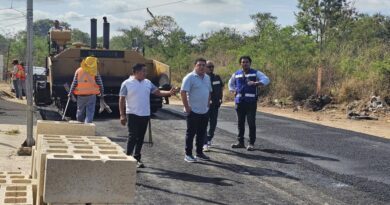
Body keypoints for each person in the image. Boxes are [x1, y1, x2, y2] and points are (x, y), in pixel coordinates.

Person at [119, 63, 177, 168]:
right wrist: (122, 115)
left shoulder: (148, 83)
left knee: (140, 137)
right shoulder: (127, 83)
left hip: (145, 114)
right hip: (132, 113)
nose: (146, 73)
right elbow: (122, 99)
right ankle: (128, 158)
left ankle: (137, 158)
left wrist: (169, 92)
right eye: (144, 71)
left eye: (146, 71)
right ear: (136, 72)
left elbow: (158, 92)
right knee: (132, 136)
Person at [228, 56, 270, 151]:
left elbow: (266, 79)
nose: (245, 63)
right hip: (239, 102)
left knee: (251, 123)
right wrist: (232, 90)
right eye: (243, 62)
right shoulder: (236, 74)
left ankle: (251, 143)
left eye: (247, 62)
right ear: (240, 64)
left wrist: (256, 83)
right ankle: (240, 142)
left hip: (251, 102)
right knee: (240, 123)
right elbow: (230, 83)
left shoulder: (255, 73)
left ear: (250, 63)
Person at [181, 58, 212, 162]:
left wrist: (207, 105)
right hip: (192, 111)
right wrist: (186, 106)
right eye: (199, 65)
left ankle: (199, 153)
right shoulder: (189, 77)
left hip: (204, 111)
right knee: (191, 133)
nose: (202, 67)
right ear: (195, 66)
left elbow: (209, 92)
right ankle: (188, 154)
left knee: (201, 133)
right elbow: (183, 92)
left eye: (204, 65)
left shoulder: (207, 78)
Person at [69, 56, 104, 123]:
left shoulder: (78, 70)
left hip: (80, 96)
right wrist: (102, 94)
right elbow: (100, 84)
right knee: (90, 112)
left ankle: (80, 125)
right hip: (91, 95)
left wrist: (70, 93)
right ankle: (88, 127)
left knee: (80, 111)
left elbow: (74, 83)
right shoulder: (95, 71)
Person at [203, 60, 224, 152]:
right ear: (205, 67)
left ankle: (209, 138)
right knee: (203, 124)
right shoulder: (202, 78)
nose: (211, 68)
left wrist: (220, 98)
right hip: (204, 105)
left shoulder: (217, 77)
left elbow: (221, 88)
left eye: (212, 66)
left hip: (215, 104)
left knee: (213, 124)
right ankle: (204, 142)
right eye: (209, 66)